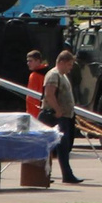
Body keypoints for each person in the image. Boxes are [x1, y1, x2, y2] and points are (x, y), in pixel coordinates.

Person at [42, 49, 84, 185]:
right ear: (61, 62)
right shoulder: (53, 75)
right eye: (69, 65)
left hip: (65, 116)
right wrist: (58, 110)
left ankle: (66, 174)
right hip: (55, 116)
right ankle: (45, 174)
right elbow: (49, 94)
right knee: (53, 147)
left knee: (64, 148)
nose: (70, 68)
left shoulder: (62, 76)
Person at [24, 49, 49, 120]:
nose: (28, 63)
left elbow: (31, 97)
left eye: (30, 61)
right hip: (44, 110)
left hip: (34, 113)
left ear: (38, 61)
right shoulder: (48, 73)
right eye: (27, 61)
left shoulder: (34, 75)